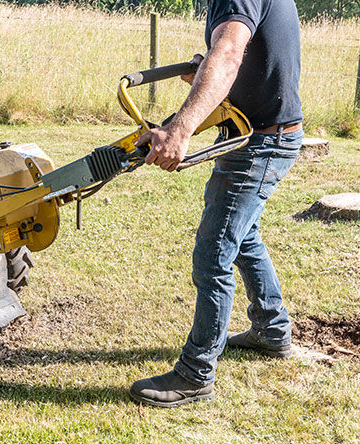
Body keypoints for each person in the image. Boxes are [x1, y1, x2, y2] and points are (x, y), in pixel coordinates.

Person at [129, 0, 304, 408]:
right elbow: (244, 56)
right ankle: (272, 328)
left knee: (214, 252)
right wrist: (204, 69)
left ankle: (195, 374)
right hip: (264, 132)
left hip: (259, 141)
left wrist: (180, 128)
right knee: (244, 237)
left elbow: (228, 52)